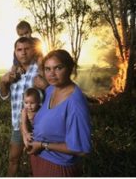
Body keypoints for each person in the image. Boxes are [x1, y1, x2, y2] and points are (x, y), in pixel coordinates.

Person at [26, 49, 92, 177]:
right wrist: (25, 132)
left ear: (70, 68)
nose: (52, 74)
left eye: (58, 68)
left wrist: (42, 145)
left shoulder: (75, 102)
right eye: (47, 69)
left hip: (58, 166)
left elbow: (82, 149)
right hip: (39, 159)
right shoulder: (51, 89)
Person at [0, 37, 47, 177]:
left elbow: (53, 93)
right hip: (18, 125)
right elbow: (3, 96)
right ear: (15, 52)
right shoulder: (13, 72)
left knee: (38, 161)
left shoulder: (40, 69)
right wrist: (3, 81)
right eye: (19, 50)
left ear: (33, 51)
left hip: (38, 124)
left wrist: (44, 85)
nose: (23, 53)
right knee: (13, 159)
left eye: (27, 49)